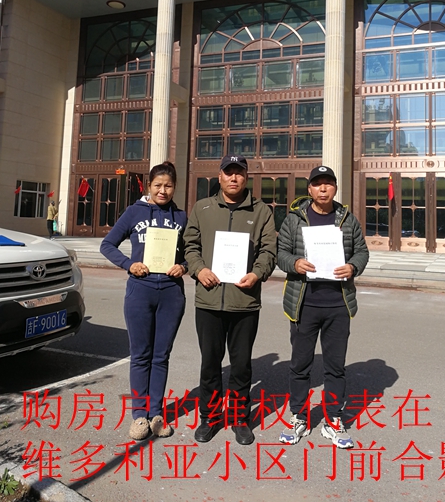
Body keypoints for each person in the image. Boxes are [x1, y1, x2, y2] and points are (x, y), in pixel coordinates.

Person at [184, 155, 276, 446]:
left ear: (246, 177)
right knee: (210, 364)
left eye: (239, 173)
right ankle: (210, 417)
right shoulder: (203, 208)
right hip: (209, 301)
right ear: (220, 176)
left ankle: (239, 418)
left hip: (244, 301)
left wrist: (257, 273)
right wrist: (199, 270)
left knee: (241, 365)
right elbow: (190, 245)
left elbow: (268, 250)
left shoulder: (261, 211)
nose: (233, 178)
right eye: (228, 172)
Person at [277, 165, 369, 447]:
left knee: (335, 367)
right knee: (300, 365)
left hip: (338, 305)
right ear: (310, 189)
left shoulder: (347, 220)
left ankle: (332, 420)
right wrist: (294, 263)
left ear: (335, 188)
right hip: (304, 303)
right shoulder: (295, 219)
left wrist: (353, 266)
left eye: (328, 183)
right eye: (318, 184)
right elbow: (280, 253)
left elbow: (362, 251)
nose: (323, 188)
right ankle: (299, 416)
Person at [100, 161, 187, 441]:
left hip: (171, 293)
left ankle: (156, 414)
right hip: (140, 290)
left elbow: (190, 253)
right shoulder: (134, 212)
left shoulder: (181, 217)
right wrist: (129, 264)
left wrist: (183, 266)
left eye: (168, 186)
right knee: (140, 355)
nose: (163, 190)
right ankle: (139, 415)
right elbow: (107, 245)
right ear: (149, 186)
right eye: (158, 185)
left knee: (161, 356)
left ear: (175, 187)